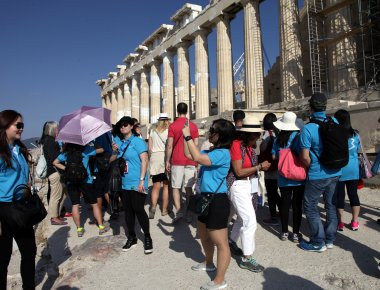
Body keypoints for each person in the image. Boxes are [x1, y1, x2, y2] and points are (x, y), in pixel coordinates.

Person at [183, 119, 235, 290]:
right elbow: (190, 155)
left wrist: (189, 136)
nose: (209, 132)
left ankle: (220, 280)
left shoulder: (222, 153)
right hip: (205, 198)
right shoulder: (212, 151)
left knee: (220, 242)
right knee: (204, 235)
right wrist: (185, 138)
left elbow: (196, 156)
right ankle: (208, 262)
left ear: (220, 135)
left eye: (212, 130)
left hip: (217, 200)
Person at [299, 93, 341, 252]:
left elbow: (304, 157)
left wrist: (313, 166)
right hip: (336, 172)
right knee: (331, 205)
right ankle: (330, 239)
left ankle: (318, 242)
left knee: (310, 207)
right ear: (325, 107)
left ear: (310, 108)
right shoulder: (335, 121)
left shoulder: (308, 128)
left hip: (317, 174)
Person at [228, 115, 270, 273]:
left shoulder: (249, 147)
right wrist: (259, 166)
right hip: (238, 185)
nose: (258, 137)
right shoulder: (236, 145)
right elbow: (238, 171)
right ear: (248, 134)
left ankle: (231, 242)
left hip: (247, 185)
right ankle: (247, 258)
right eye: (256, 135)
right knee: (250, 221)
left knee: (242, 218)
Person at [0, 110, 36, 290]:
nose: (22, 128)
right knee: (3, 257)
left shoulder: (19, 148)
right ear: (5, 126)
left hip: (21, 208)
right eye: (18, 125)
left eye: (22, 125)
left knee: (29, 252)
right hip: (4, 209)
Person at [110, 116, 152, 254]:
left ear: (131, 127)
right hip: (125, 182)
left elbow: (144, 160)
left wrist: (141, 180)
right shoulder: (120, 143)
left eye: (125, 124)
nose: (123, 127)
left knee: (139, 209)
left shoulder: (138, 142)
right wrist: (115, 151)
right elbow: (112, 160)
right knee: (128, 211)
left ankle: (147, 237)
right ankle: (132, 237)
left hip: (137, 181)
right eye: (120, 126)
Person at [53, 143, 109, 237]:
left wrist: (67, 168)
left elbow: (55, 162)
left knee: (75, 205)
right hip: (86, 180)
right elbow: (102, 150)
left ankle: (79, 229)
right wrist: (97, 145)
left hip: (71, 182)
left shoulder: (65, 153)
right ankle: (101, 227)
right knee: (94, 204)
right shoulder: (86, 150)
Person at [272, 112, 304, 242]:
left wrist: (284, 155)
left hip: (283, 176)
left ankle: (284, 232)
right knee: (297, 205)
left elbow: (274, 156)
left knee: (285, 205)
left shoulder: (277, 139)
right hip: (299, 175)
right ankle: (296, 233)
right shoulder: (298, 137)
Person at [166, 102, 199, 223]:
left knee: (176, 186)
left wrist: (167, 161)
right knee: (189, 187)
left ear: (177, 111)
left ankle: (179, 211)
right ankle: (189, 212)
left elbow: (169, 145)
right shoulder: (193, 126)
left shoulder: (173, 126)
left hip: (177, 160)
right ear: (187, 110)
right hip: (190, 160)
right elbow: (195, 145)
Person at [334, 109, 361, 231]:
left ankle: (340, 223)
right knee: (353, 195)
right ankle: (355, 222)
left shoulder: (336, 134)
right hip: (354, 169)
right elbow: (358, 150)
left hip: (340, 169)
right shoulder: (356, 134)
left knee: (340, 196)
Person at [40, 121, 67, 225]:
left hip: (55, 172)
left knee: (63, 194)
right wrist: (63, 151)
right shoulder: (50, 141)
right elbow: (54, 158)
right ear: (51, 129)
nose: (58, 130)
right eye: (57, 128)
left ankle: (57, 214)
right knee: (56, 195)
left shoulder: (49, 141)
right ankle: (54, 217)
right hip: (55, 172)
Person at [148, 113, 170, 218]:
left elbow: (149, 148)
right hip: (164, 157)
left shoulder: (152, 131)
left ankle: (153, 207)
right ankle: (164, 210)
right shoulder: (168, 131)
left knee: (155, 186)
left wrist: (150, 159)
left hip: (154, 158)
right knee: (165, 186)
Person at [260, 113, 280, 226]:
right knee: (275, 191)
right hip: (278, 166)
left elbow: (262, 148)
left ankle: (273, 216)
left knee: (271, 193)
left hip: (269, 166)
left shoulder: (267, 133)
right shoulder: (279, 132)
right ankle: (282, 211)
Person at [93, 131, 113, 216]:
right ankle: (113, 211)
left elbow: (102, 149)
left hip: (99, 167)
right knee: (106, 190)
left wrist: (89, 152)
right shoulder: (108, 134)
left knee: (98, 193)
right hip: (106, 164)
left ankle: (99, 215)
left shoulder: (100, 135)